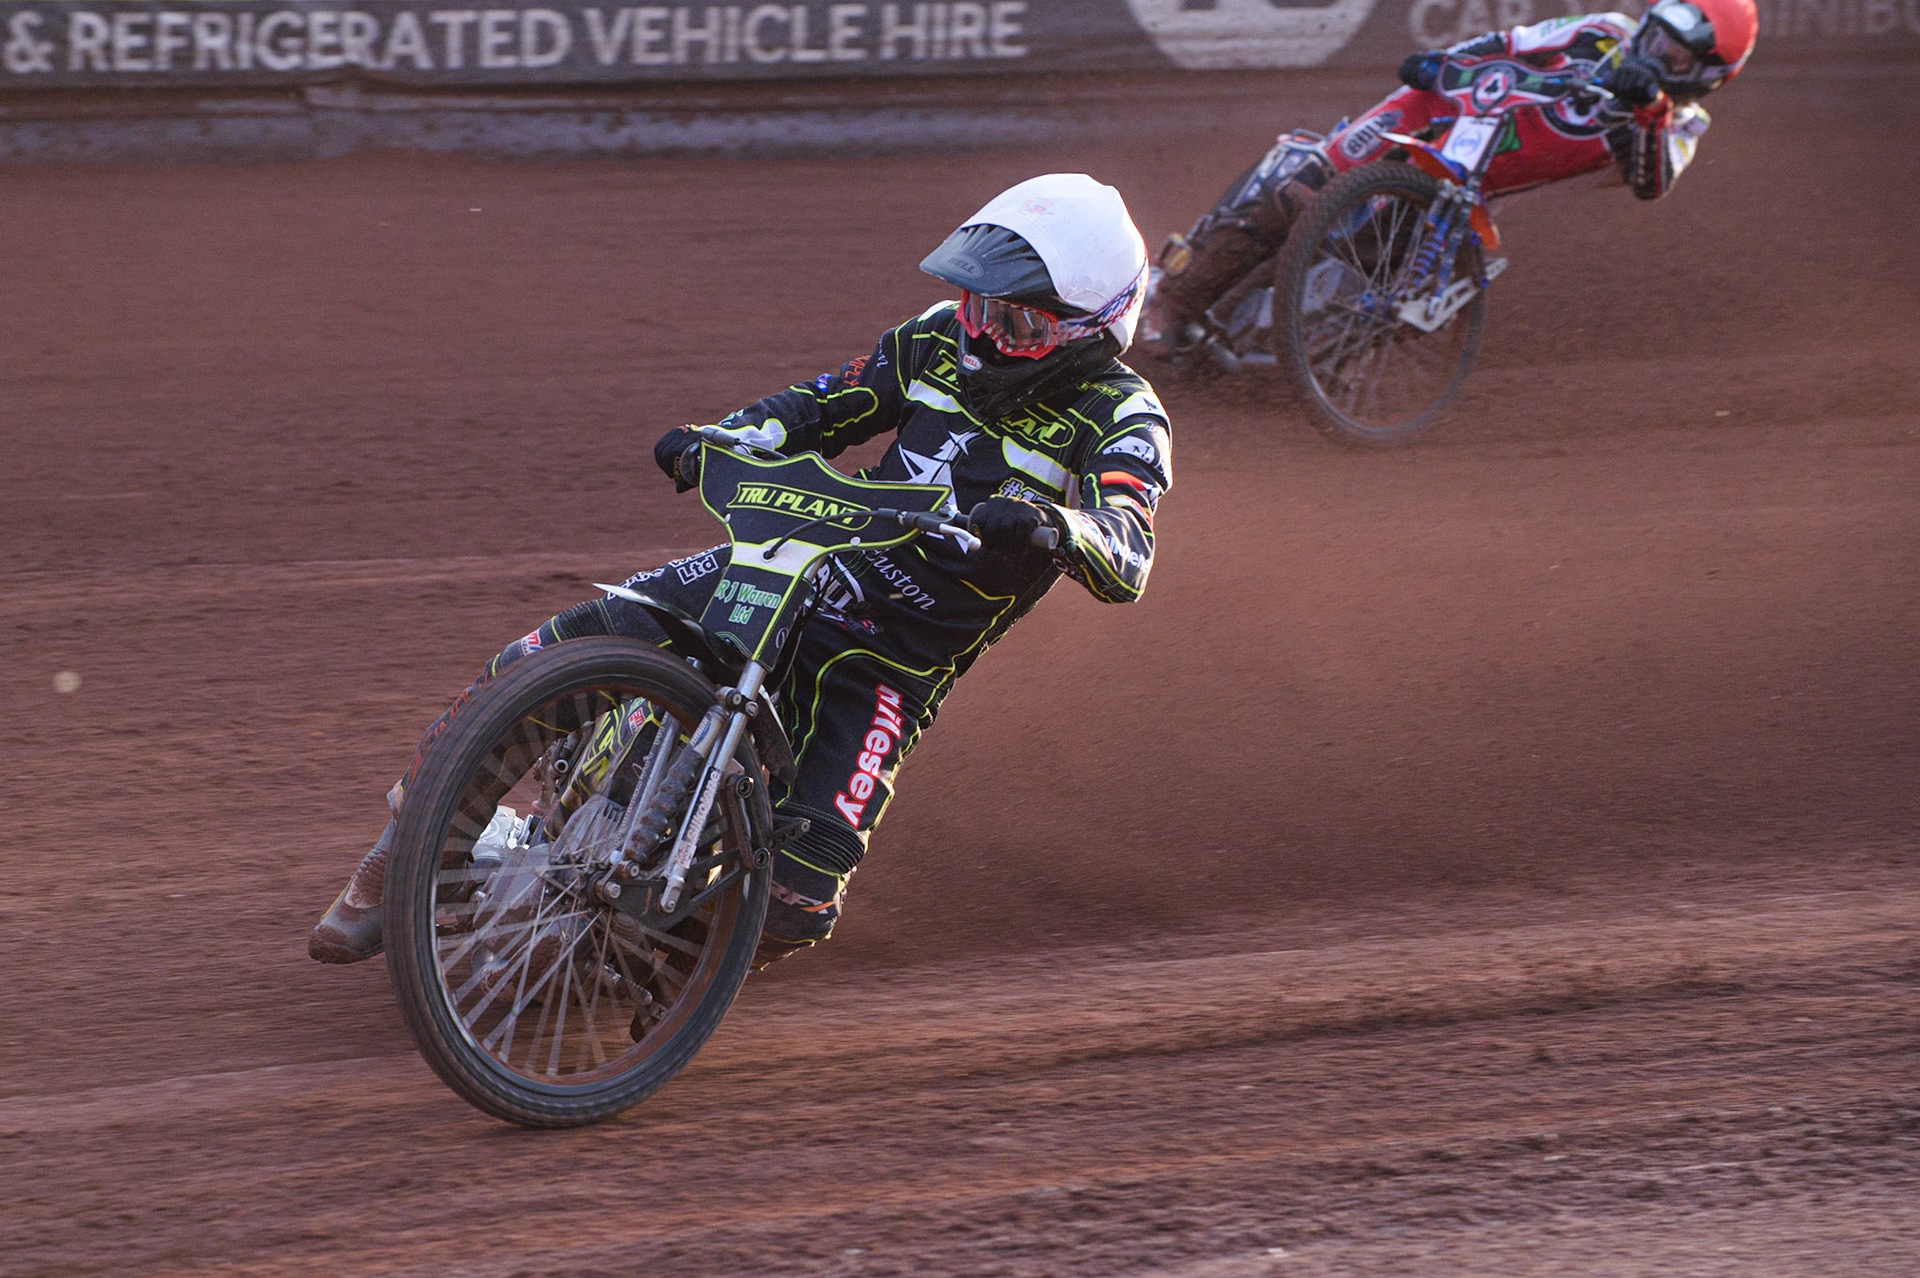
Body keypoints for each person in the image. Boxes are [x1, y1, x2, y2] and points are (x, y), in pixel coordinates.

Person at [310, 173, 1173, 970]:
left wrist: (1057, 528)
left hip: (889, 666)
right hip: (792, 565)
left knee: (799, 899)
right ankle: (408, 858)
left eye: (1016, 324)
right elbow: (819, 406)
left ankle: (651, 968)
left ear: (1094, 334)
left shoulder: (1123, 415)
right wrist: (721, 436)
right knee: (549, 654)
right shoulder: (933, 342)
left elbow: (1128, 548)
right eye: (977, 305)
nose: (981, 334)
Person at [1137, 0, 1759, 354]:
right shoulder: (1605, 32)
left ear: (1704, 74)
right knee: (1300, 186)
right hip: (1431, 106)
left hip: (1461, 183)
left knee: (1360, 254)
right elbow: (1509, 41)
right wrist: (1441, 63)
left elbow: (1651, 183)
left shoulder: (1679, 124)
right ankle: (1172, 302)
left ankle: (1251, 338)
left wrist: (1647, 105)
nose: (1648, 53)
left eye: (1670, 55)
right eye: (1654, 35)